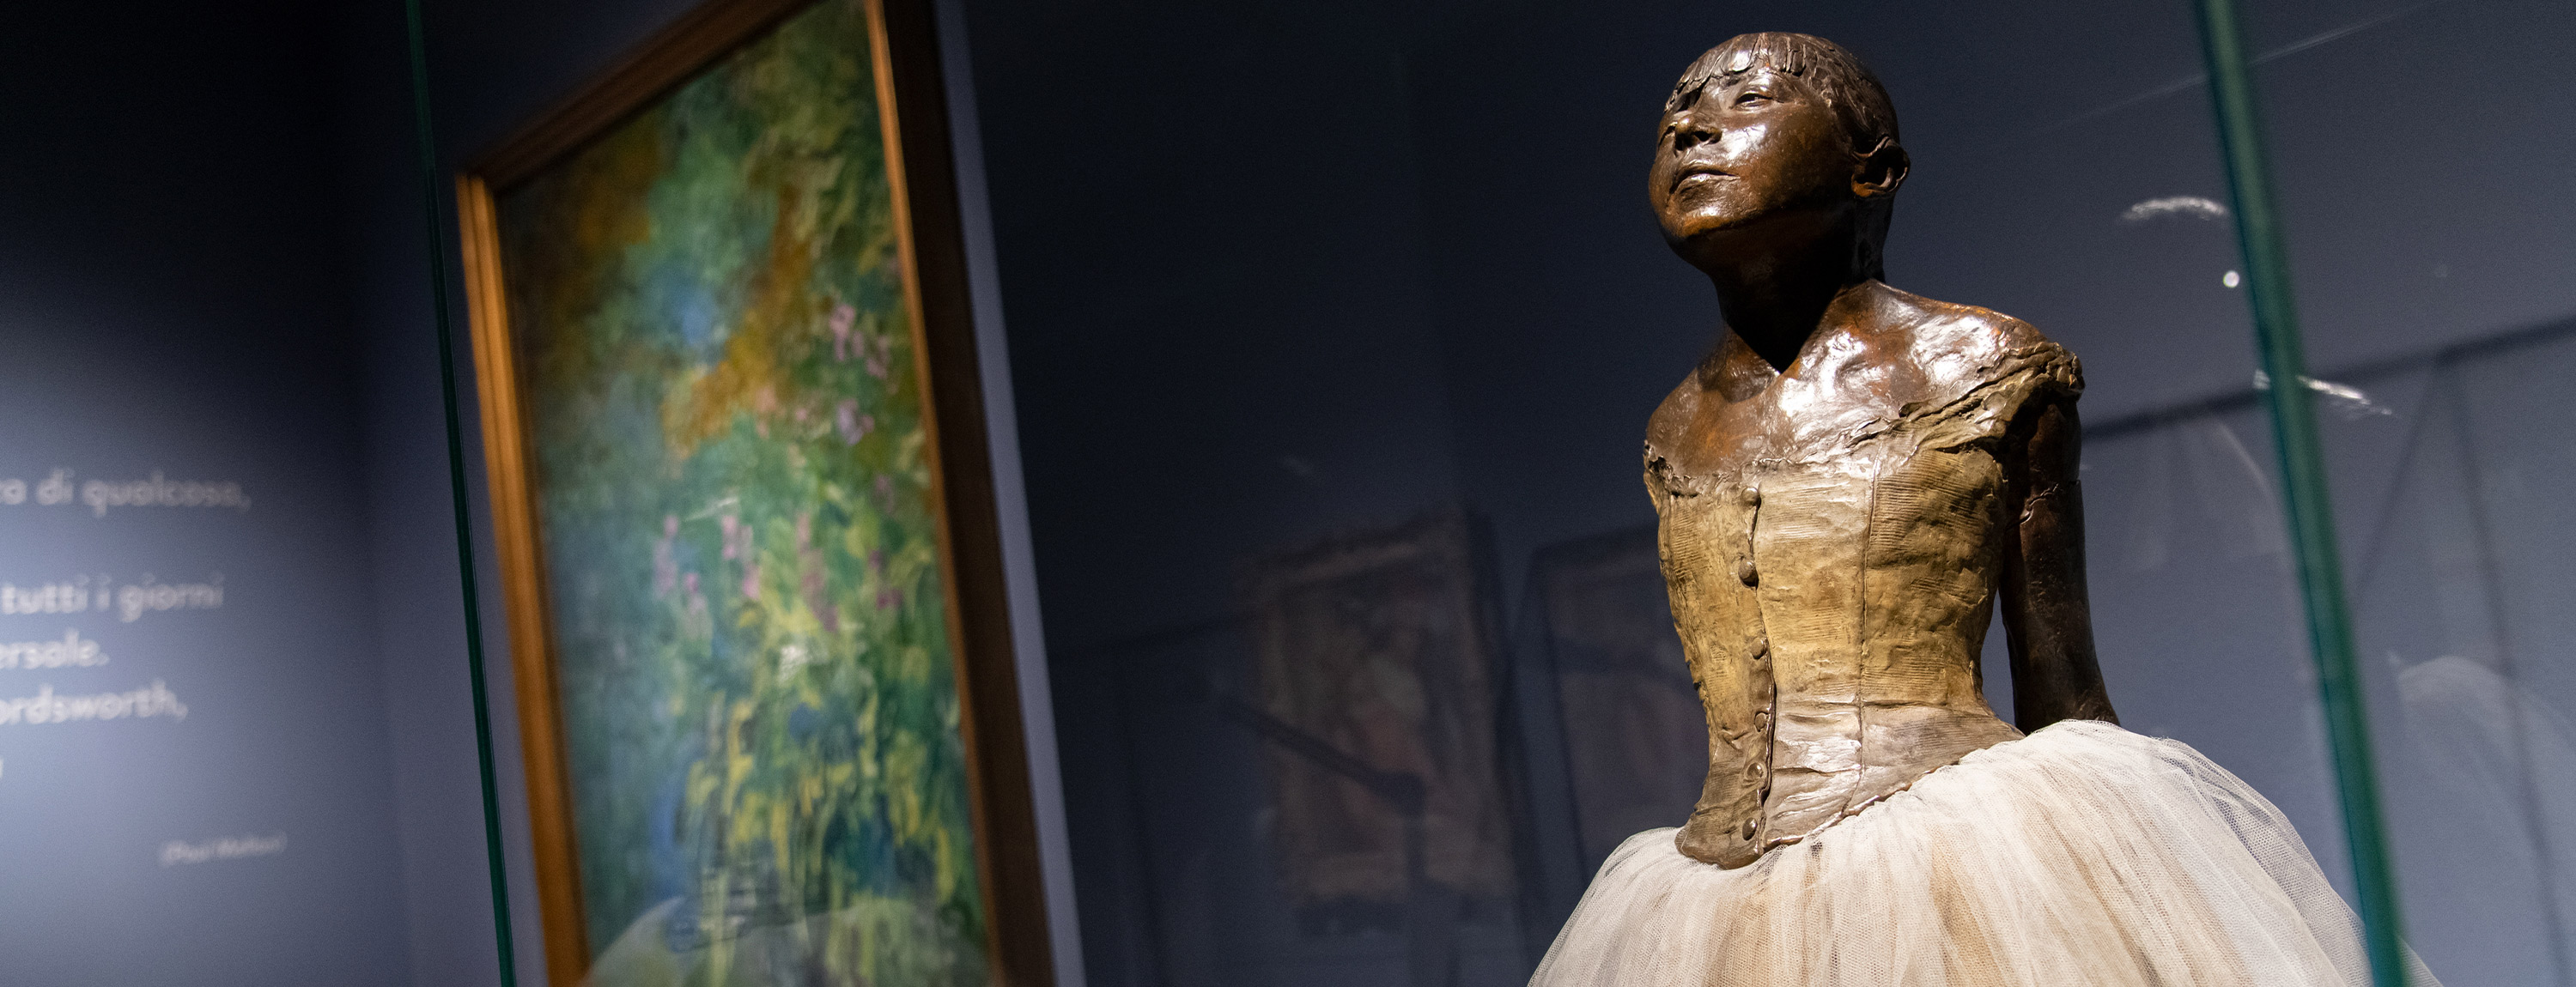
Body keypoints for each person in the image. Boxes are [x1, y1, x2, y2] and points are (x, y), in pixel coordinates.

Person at [1528, 33, 2435, 986]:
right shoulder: (1674, 427)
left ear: (1875, 170)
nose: (1690, 130)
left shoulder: (1985, 368)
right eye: (1675, 115)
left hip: (1957, 862)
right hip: (1712, 904)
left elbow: (2062, 688)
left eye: (1747, 100)